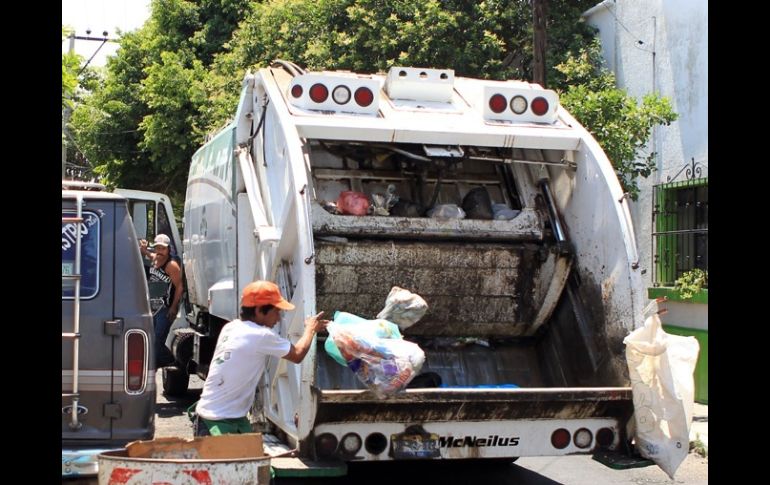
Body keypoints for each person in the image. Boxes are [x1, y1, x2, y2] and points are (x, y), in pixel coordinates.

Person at [193, 280, 329, 436]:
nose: (278, 318)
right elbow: (298, 354)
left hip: (211, 416)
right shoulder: (261, 335)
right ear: (259, 311)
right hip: (220, 422)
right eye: (276, 312)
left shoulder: (231, 327)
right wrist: (311, 329)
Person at [139, 234, 183, 368]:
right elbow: (148, 254)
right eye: (157, 248)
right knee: (150, 338)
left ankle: (174, 363)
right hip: (152, 307)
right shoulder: (154, 259)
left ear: (168, 249)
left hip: (164, 308)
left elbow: (180, 287)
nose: (160, 251)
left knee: (158, 340)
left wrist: (174, 307)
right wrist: (144, 250)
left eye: (163, 249)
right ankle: (156, 364)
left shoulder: (171, 265)